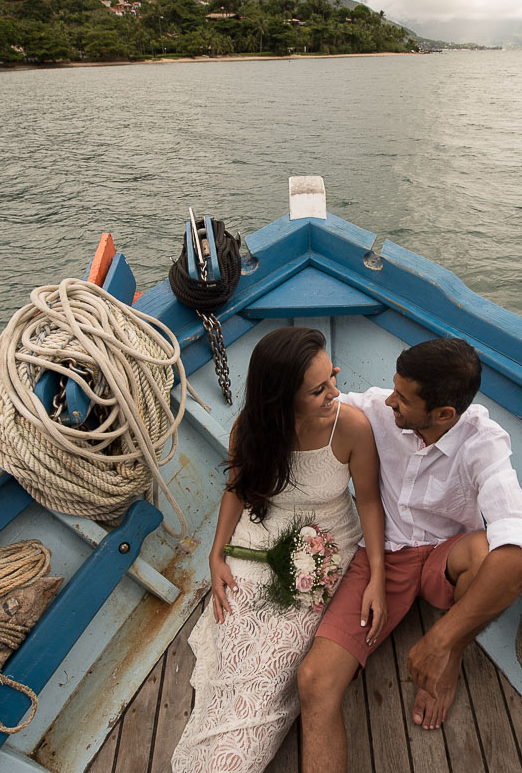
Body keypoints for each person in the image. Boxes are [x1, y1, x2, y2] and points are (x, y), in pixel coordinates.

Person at [297, 337, 522, 773]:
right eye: (394, 389)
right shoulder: (378, 409)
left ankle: (453, 657)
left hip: (444, 559)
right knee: (314, 682)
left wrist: (442, 643)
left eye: (403, 399)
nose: (390, 401)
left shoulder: (484, 443)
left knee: (491, 552)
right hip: (383, 555)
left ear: (444, 414)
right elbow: (310, 405)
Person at [171, 326, 387, 773]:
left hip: (323, 550)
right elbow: (237, 489)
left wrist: (377, 579)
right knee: (233, 652)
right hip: (257, 539)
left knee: (272, 668)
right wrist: (216, 554)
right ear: (282, 398)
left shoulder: (350, 427)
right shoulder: (250, 428)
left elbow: (368, 502)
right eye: (318, 390)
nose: (334, 392)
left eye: (332, 377)